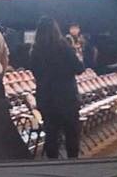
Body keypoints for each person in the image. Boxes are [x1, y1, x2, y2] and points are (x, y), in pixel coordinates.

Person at [29, 17, 84, 158]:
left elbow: (35, 72)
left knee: (51, 135)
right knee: (71, 134)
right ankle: (73, 163)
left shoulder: (35, 50)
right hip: (67, 97)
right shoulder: (64, 47)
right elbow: (79, 68)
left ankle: (53, 164)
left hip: (46, 98)